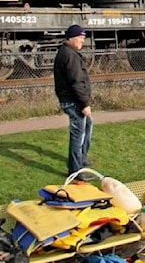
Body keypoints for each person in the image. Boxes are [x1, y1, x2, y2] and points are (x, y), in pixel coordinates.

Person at [54, 24, 93, 177]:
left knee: (88, 124)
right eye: (80, 38)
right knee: (78, 134)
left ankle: (81, 159)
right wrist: (84, 104)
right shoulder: (69, 55)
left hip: (73, 99)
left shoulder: (68, 53)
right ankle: (75, 171)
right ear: (71, 38)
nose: (82, 41)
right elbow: (76, 81)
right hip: (73, 101)